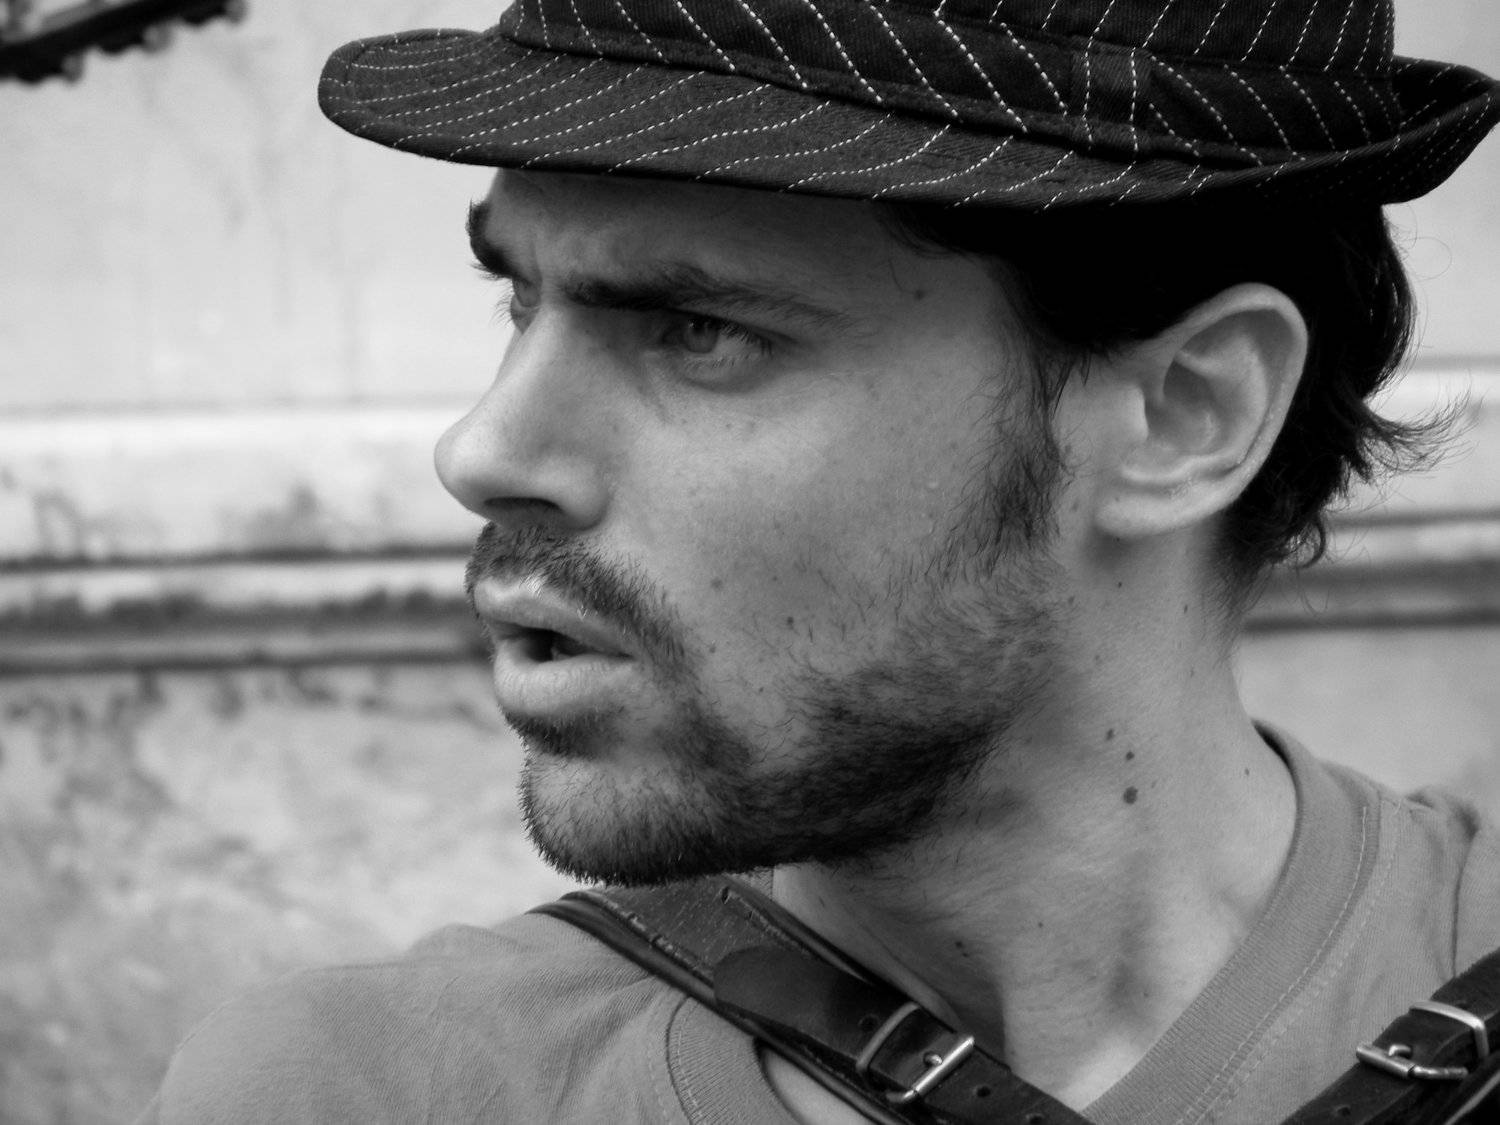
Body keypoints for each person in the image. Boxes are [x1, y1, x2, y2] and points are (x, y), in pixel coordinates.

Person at [137, 1, 1500, 1122]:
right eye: (520, 298)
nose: (484, 451)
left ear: (1185, 415)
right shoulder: (354, 1094)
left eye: (698, 329)